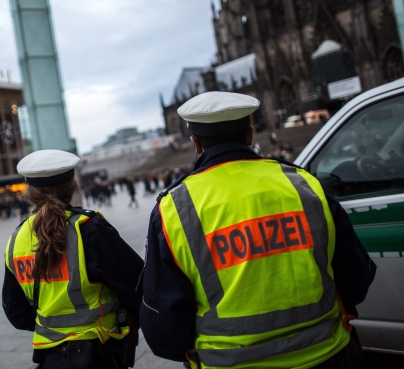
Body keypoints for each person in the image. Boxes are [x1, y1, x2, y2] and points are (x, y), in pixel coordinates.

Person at [141, 91, 376, 369]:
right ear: (250, 134)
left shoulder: (174, 208)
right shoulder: (304, 184)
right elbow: (357, 276)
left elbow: (164, 325)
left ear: (195, 144)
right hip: (326, 354)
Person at [2, 150, 144, 368]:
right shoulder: (89, 228)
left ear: (30, 193)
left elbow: (16, 311)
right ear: (72, 187)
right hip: (99, 354)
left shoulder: (16, 239)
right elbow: (137, 285)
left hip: (51, 358)